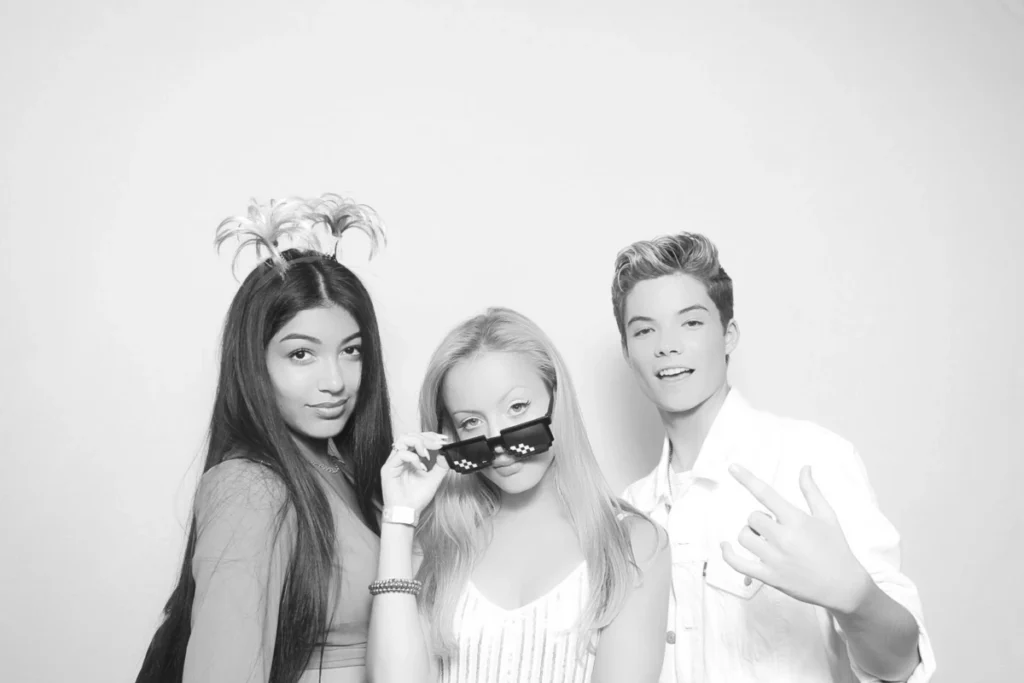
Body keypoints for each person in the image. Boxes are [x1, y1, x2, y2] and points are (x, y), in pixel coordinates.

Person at [610, 232, 937, 682]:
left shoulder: (809, 460)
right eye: (644, 329)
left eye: (690, 322)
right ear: (628, 354)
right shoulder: (629, 515)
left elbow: (901, 668)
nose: (666, 345)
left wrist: (857, 600)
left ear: (729, 335)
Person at [134, 194, 393, 683]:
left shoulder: (347, 471)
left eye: (352, 351)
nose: (335, 380)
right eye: (301, 354)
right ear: (255, 363)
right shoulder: (250, 489)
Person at [366, 307, 671, 683]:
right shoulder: (437, 545)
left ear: (557, 400)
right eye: (471, 422)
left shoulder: (632, 545)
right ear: (450, 434)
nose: (498, 444)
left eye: (517, 407)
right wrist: (399, 516)